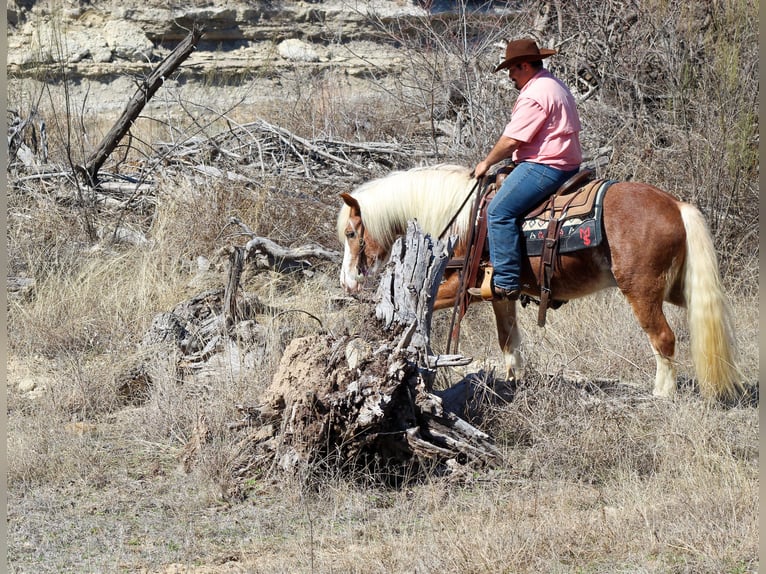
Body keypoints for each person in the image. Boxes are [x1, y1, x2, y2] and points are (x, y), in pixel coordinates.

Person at [470, 38, 582, 300]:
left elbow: (512, 140)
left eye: (512, 69)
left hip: (546, 165)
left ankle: (507, 282)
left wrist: (486, 163)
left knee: (498, 211)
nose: (510, 75)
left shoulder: (534, 94)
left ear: (524, 66)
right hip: (568, 163)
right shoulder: (554, 84)